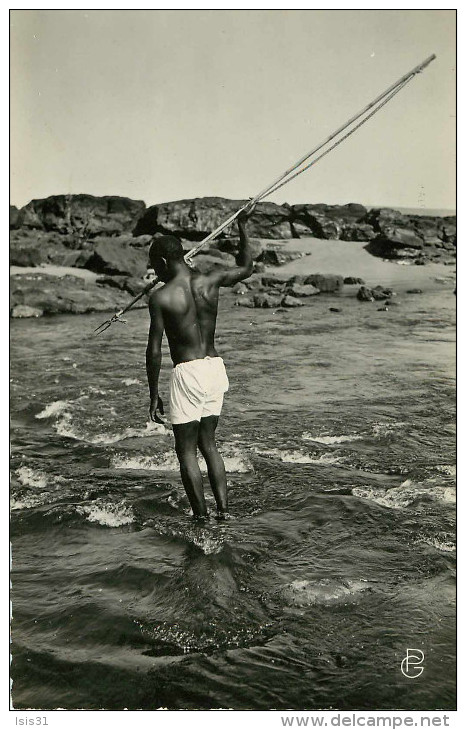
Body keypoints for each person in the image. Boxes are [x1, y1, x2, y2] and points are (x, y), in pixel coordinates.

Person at [145, 203, 256, 519]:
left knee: (186, 452)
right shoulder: (210, 280)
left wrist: (153, 395)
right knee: (210, 443)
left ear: (165, 262)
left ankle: (202, 519)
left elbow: (154, 351)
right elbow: (247, 267)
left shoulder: (161, 297)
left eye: (156, 266)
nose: (155, 272)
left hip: (188, 372)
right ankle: (223, 512)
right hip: (214, 368)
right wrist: (243, 226)